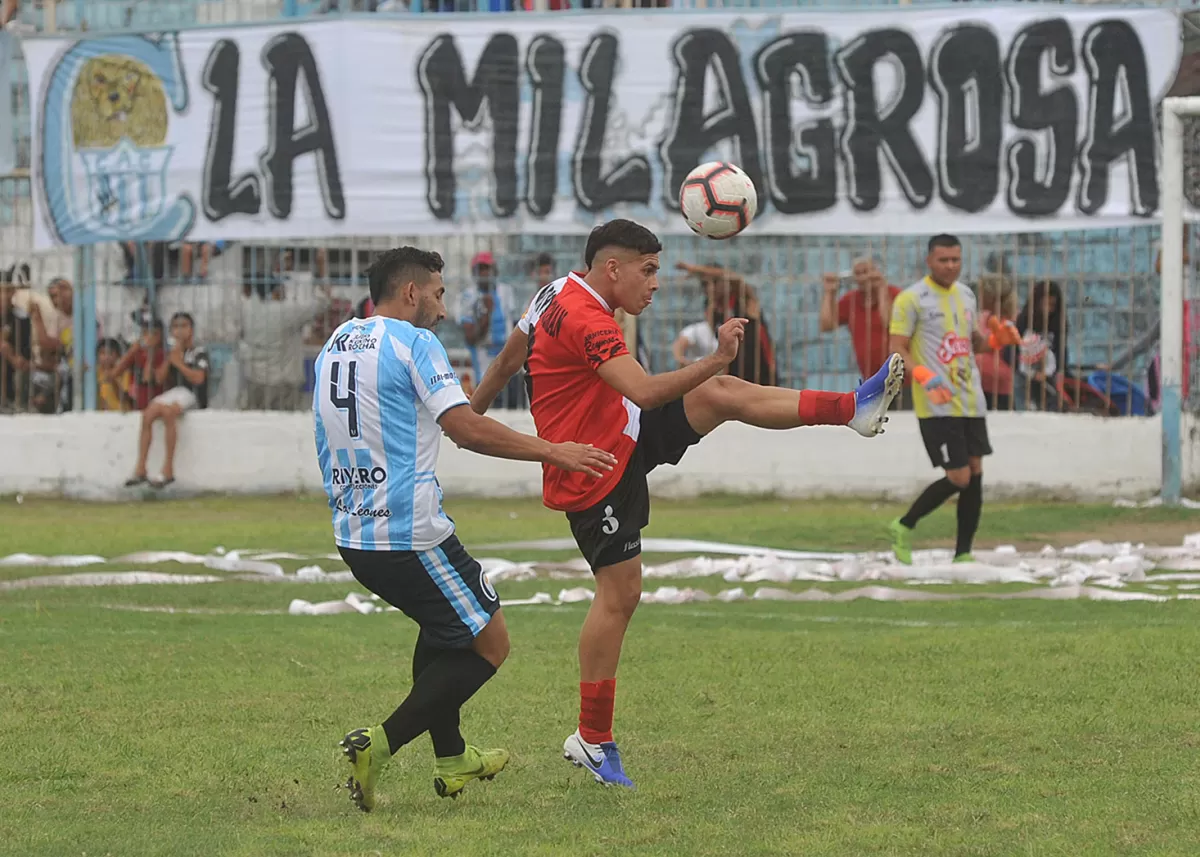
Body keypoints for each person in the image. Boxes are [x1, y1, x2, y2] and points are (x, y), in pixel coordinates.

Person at [470, 219, 904, 788]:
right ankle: (592, 740)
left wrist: (464, 417)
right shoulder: (585, 317)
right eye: (647, 272)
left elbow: (507, 361)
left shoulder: (556, 292)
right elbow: (647, 390)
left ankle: (853, 408)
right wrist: (718, 355)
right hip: (593, 467)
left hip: (619, 433)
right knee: (620, 594)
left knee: (719, 397)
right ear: (612, 269)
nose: (655, 284)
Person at [316, 246, 615, 813]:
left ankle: (452, 758)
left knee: (443, 629)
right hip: (409, 533)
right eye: (439, 293)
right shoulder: (414, 342)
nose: (443, 308)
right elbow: (465, 430)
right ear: (411, 293)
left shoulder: (336, 343)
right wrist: (555, 452)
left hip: (354, 530)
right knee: (489, 643)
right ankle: (377, 745)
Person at [886, 234, 1022, 566]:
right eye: (944, 260)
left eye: (956, 260)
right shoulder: (911, 299)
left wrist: (997, 341)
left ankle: (963, 552)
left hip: (970, 397)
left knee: (975, 471)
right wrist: (924, 376)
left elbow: (972, 342)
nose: (951, 266)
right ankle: (903, 525)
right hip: (937, 401)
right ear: (929, 261)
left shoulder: (966, 295)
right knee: (958, 476)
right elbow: (897, 348)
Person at [123, 312, 209, 489]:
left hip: (192, 395)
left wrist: (178, 364)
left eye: (184, 326)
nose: (179, 331)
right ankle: (141, 469)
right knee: (149, 413)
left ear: (191, 330)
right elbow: (159, 378)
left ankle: (168, 469)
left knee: (168, 412)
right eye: (176, 327)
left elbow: (199, 379)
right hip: (175, 392)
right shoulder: (172, 352)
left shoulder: (199, 352)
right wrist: (162, 357)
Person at [819, 259, 911, 408]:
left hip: (902, 380)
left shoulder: (895, 294)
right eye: (859, 273)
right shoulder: (851, 300)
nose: (864, 277)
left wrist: (882, 288)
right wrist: (830, 293)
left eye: (867, 272)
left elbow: (888, 322)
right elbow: (826, 325)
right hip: (872, 381)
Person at [677, 261, 778, 386]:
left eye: (714, 282)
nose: (710, 288)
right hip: (735, 374)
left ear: (725, 282)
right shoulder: (711, 309)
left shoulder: (743, 299)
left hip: (761, 371)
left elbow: (734, 277)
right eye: (705, 284)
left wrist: (696, 269)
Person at [458, 251, 522, 407]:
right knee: (491, 402)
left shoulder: (506, 292)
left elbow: (516, 323)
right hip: (484, 359)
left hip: (508, 356)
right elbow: (470, 337)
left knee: (514, 401)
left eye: (487, 269)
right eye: (481, 269)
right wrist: (486, 314)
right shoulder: (467, 297)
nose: (485, 273)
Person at [670, 293, 718, 366]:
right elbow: (678, 346)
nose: (717, 313)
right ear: (706, 312)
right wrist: (686, 364)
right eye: (714, 310)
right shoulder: (697, 329)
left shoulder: (722, 328)